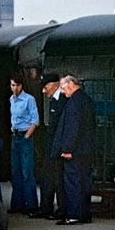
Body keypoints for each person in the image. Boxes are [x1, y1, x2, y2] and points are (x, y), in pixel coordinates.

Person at [49, 74, 95, 225]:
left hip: (75, 150)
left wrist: (67, 148)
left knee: (73, 182)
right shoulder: (85, 99)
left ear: (71, 85)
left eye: (63, 88)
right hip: (85, 149)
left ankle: (74, 215)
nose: (62, 92)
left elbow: (72, 128)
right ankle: (84, 214)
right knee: (84, 182)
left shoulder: (74, 102)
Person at [31, 73, 63, 219]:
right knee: (46, 178)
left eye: (45, 87)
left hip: (59, 146)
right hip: (51, 145)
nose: (44, 91)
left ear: (54, 85)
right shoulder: (54, 101)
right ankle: (45, 208)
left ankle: (61, 210)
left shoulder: (63, 100)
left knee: (58, 179)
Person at [7, 73, 39, 213]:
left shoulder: (29, 99)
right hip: (15, 135)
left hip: (24, 135)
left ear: (21, 86)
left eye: (17, 85)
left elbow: (34, 120)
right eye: (13, 85)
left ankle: (31, 205)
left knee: (27, 172)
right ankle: (17, 204)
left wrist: (27, 136)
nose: (15, 88)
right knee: (16, 172)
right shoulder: (11, 99)